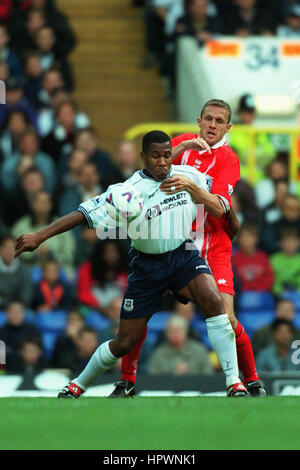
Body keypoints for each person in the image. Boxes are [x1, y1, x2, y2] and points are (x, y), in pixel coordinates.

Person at [15, 130, 250, 397]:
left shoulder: (188, 176)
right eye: (155, 156)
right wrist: (39, 235)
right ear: (143, 157)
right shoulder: (127, 192)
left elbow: (219, 200)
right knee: (124, 342)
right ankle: (77, 385)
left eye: (166, 155)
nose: (162, 162)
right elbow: (81, 214)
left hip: (184, 255)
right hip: (148, 267)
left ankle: (234, 382)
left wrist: (232, 222)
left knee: (213, 299)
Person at [113, 100, 265, 398]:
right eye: (208, 119)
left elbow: (220, 208)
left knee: (227, 318)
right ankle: (127, 379)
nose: (212, 125)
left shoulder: (228, 160)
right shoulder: (182, 143)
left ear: (227, 127)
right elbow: (142, 175)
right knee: (142, 313)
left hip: (211, 245)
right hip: (173, 242)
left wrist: (192, 188)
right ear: (198, 121)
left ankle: (251, 380)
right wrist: (179, 152)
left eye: (219, 121)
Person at [148, 314, 214, 375]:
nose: (176, 334)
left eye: (179, 330)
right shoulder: (159, 353)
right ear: (166, 333)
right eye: (172, 331)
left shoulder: (199, 350)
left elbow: (208, 374)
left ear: (186, 332)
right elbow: (153, 377)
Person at [232, 223, 274, 292]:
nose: (246, 240)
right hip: (242, 293)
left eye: (250, 237)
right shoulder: (234, 258)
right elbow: (234, 280)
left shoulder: (263, 257)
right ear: (238, 240)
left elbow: (269, 277)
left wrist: (260, 289)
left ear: (256, 239)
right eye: (244, 237)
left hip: (262, 293)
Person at [0, 235, 33, 309]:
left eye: (13, 248)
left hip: (20, 309)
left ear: (17, 250)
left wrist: (5, 301)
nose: (9, 251)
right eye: (6, 248)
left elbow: (26, 298)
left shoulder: (24, 270)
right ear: (1, 250)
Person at [270, 228, 300, 297]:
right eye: (287, 241)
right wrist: (279, 290)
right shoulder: (274, 259)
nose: (290, 244)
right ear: (281, 243)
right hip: (279, 295)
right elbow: (273, 279)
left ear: (298, 242)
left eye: (293, 241)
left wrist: (297, 293)